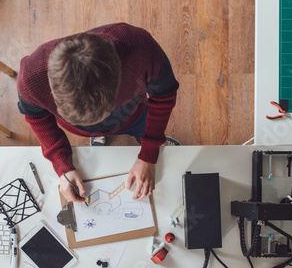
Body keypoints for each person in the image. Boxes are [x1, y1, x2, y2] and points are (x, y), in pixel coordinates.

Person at [17, 23, 179, 203]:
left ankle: (136, 136)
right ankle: (98, 135)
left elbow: (163, 98)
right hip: (88, 126)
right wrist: (62, 164)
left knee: (156, 145)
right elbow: (36, 117)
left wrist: (149, 153)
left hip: (136, 116)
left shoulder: (142, 49)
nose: (102, 123)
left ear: (118, 81)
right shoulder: (31, 78)